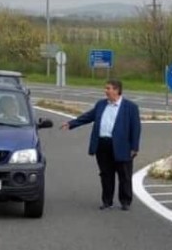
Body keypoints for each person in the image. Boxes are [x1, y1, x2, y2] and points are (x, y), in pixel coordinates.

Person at [61, 79, 142, 211]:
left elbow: (136, 128)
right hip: (102, 145)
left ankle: (125, 201)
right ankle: (107, 201)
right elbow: (88, 116)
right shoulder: (101, 104)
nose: (106, 91)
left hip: (122, 146)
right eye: (105, 88)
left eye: (108, 88)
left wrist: (135, 147)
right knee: (106, 174)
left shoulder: (130, 107)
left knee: (124, 175)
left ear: (116, 90)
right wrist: (71, 124)